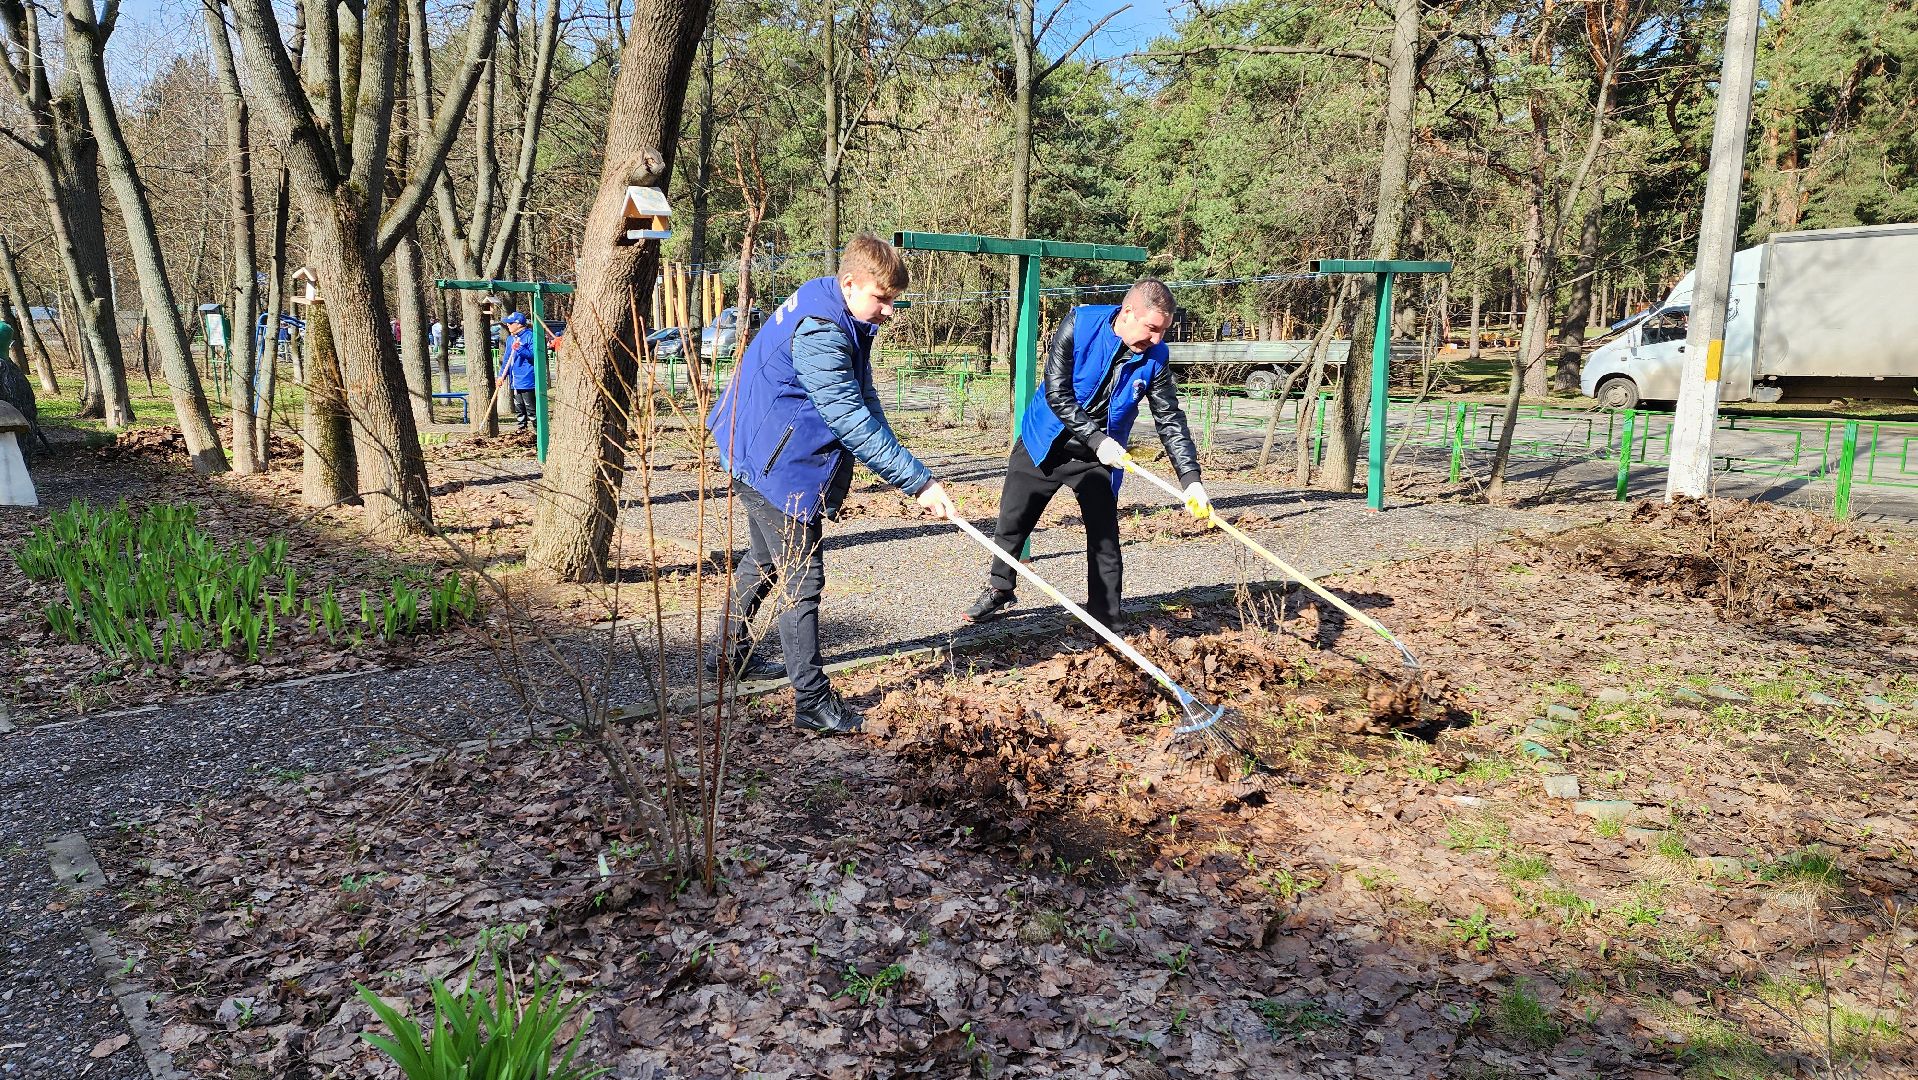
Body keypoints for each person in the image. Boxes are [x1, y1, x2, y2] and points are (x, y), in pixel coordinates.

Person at [706, 234, 957, 735]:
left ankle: (724, 658)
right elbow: (847, 418)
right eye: (881, 298)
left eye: (893, 300)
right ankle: (812, 702)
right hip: (776, 463)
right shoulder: (823, 330)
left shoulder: (834, 304)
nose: (889, 311)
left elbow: (863, 398)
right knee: (803, 581)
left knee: (762, 560)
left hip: (756, 445)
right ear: (850, 283)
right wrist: (918, 484)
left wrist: (912, 469)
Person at [963, 280, 1208, 628]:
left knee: (1105, 537)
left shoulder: (1156, 356)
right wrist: (1097, 439)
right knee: (1013, 521)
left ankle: (1107, 618)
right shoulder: (1080, 324)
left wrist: (1191, 480)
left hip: (1099, 457)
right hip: (1046, 438)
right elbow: (1057, 392)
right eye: (1152, 328)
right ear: (1127, 313)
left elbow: (1169, 419)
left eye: (1164, 331)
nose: (1157, 339)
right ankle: (1001, 589)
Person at [496, 311, 536, 431]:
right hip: (515, 380)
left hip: (527, 378)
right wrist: (501, 376)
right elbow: (507, 359)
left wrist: (519, 349)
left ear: (518, 324)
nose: (508, 325)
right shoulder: (510, 339)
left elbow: (533, 355)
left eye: (510, 323)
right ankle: (521, 431)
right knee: (519, 408)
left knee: (530, 408)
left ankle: (537, 432)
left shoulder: (530, 336)